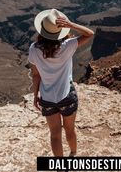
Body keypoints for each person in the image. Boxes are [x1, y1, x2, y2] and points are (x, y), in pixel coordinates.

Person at [28, 8, 94, 157]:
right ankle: (73, 154)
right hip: (67, 97)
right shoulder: (68, 46)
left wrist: (35, 96)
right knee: (70, 130)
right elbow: (90, 33)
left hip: (47, 99)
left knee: (55, 135)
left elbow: (35, 75)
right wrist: (71, 25)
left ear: (42, 30)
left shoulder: (34, 49)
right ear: (60, 31)